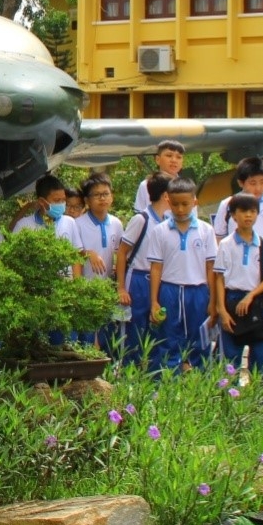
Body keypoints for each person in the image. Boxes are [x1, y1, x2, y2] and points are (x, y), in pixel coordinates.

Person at [213, 157, 263, 335]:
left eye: (262, 182)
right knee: (233, 317)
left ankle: (262, 361)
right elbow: (219, 238)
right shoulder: (227, 205)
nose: (258, 188)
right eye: (252, 183)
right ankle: (230, 361)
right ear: (241, 182)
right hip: (235, 269)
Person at [148, 177, 217, 372]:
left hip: (198, 291)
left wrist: (213, 299)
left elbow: (211, 266)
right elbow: (156, 267)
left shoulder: (206, 231)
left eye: (185, 204)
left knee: (200, 340)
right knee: (168, 340)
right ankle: (167, 386)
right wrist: (154, 301)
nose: (180, 209)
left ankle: (200, 385)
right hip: (170, 290)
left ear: (194, 202)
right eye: (175, 204)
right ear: (168, 201)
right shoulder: (160, 231)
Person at [214, 194, 263, 378]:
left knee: (260, 361)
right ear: (234, 215)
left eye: (252, 211)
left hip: (257, 303)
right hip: (232, 300)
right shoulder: (226, 244)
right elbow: (219, 277)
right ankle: (227, 403)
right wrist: (222, 310)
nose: (248, 216)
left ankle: (259, 404)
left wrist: (251, 295)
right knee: (230, 361)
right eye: (243, 211)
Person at [115, 172, 171, 365]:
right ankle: (128, 372)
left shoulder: (167, 221)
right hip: (137, 279)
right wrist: (121, 287)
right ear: (166, 195)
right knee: (134, 329)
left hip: (159, 280)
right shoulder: (141, 219)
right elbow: (122, 252)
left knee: (156, 326)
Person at [74, 174, 123, 350]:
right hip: (86, 289)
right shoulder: (78, 223)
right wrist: (87, 253)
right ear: (87, 200)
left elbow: (120, 254)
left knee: (107, 336)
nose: (102, 198)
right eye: (97, 195)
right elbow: (73, 255)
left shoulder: (116, 224)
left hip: (107, 289)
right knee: (86, 338)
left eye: (106, 193)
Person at [133, 139, 186, 212]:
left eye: (179, 157)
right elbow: (140, 213)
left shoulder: (186, 186)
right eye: (169, 155)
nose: (174, 160)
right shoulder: (145, 185)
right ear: (158, 159)